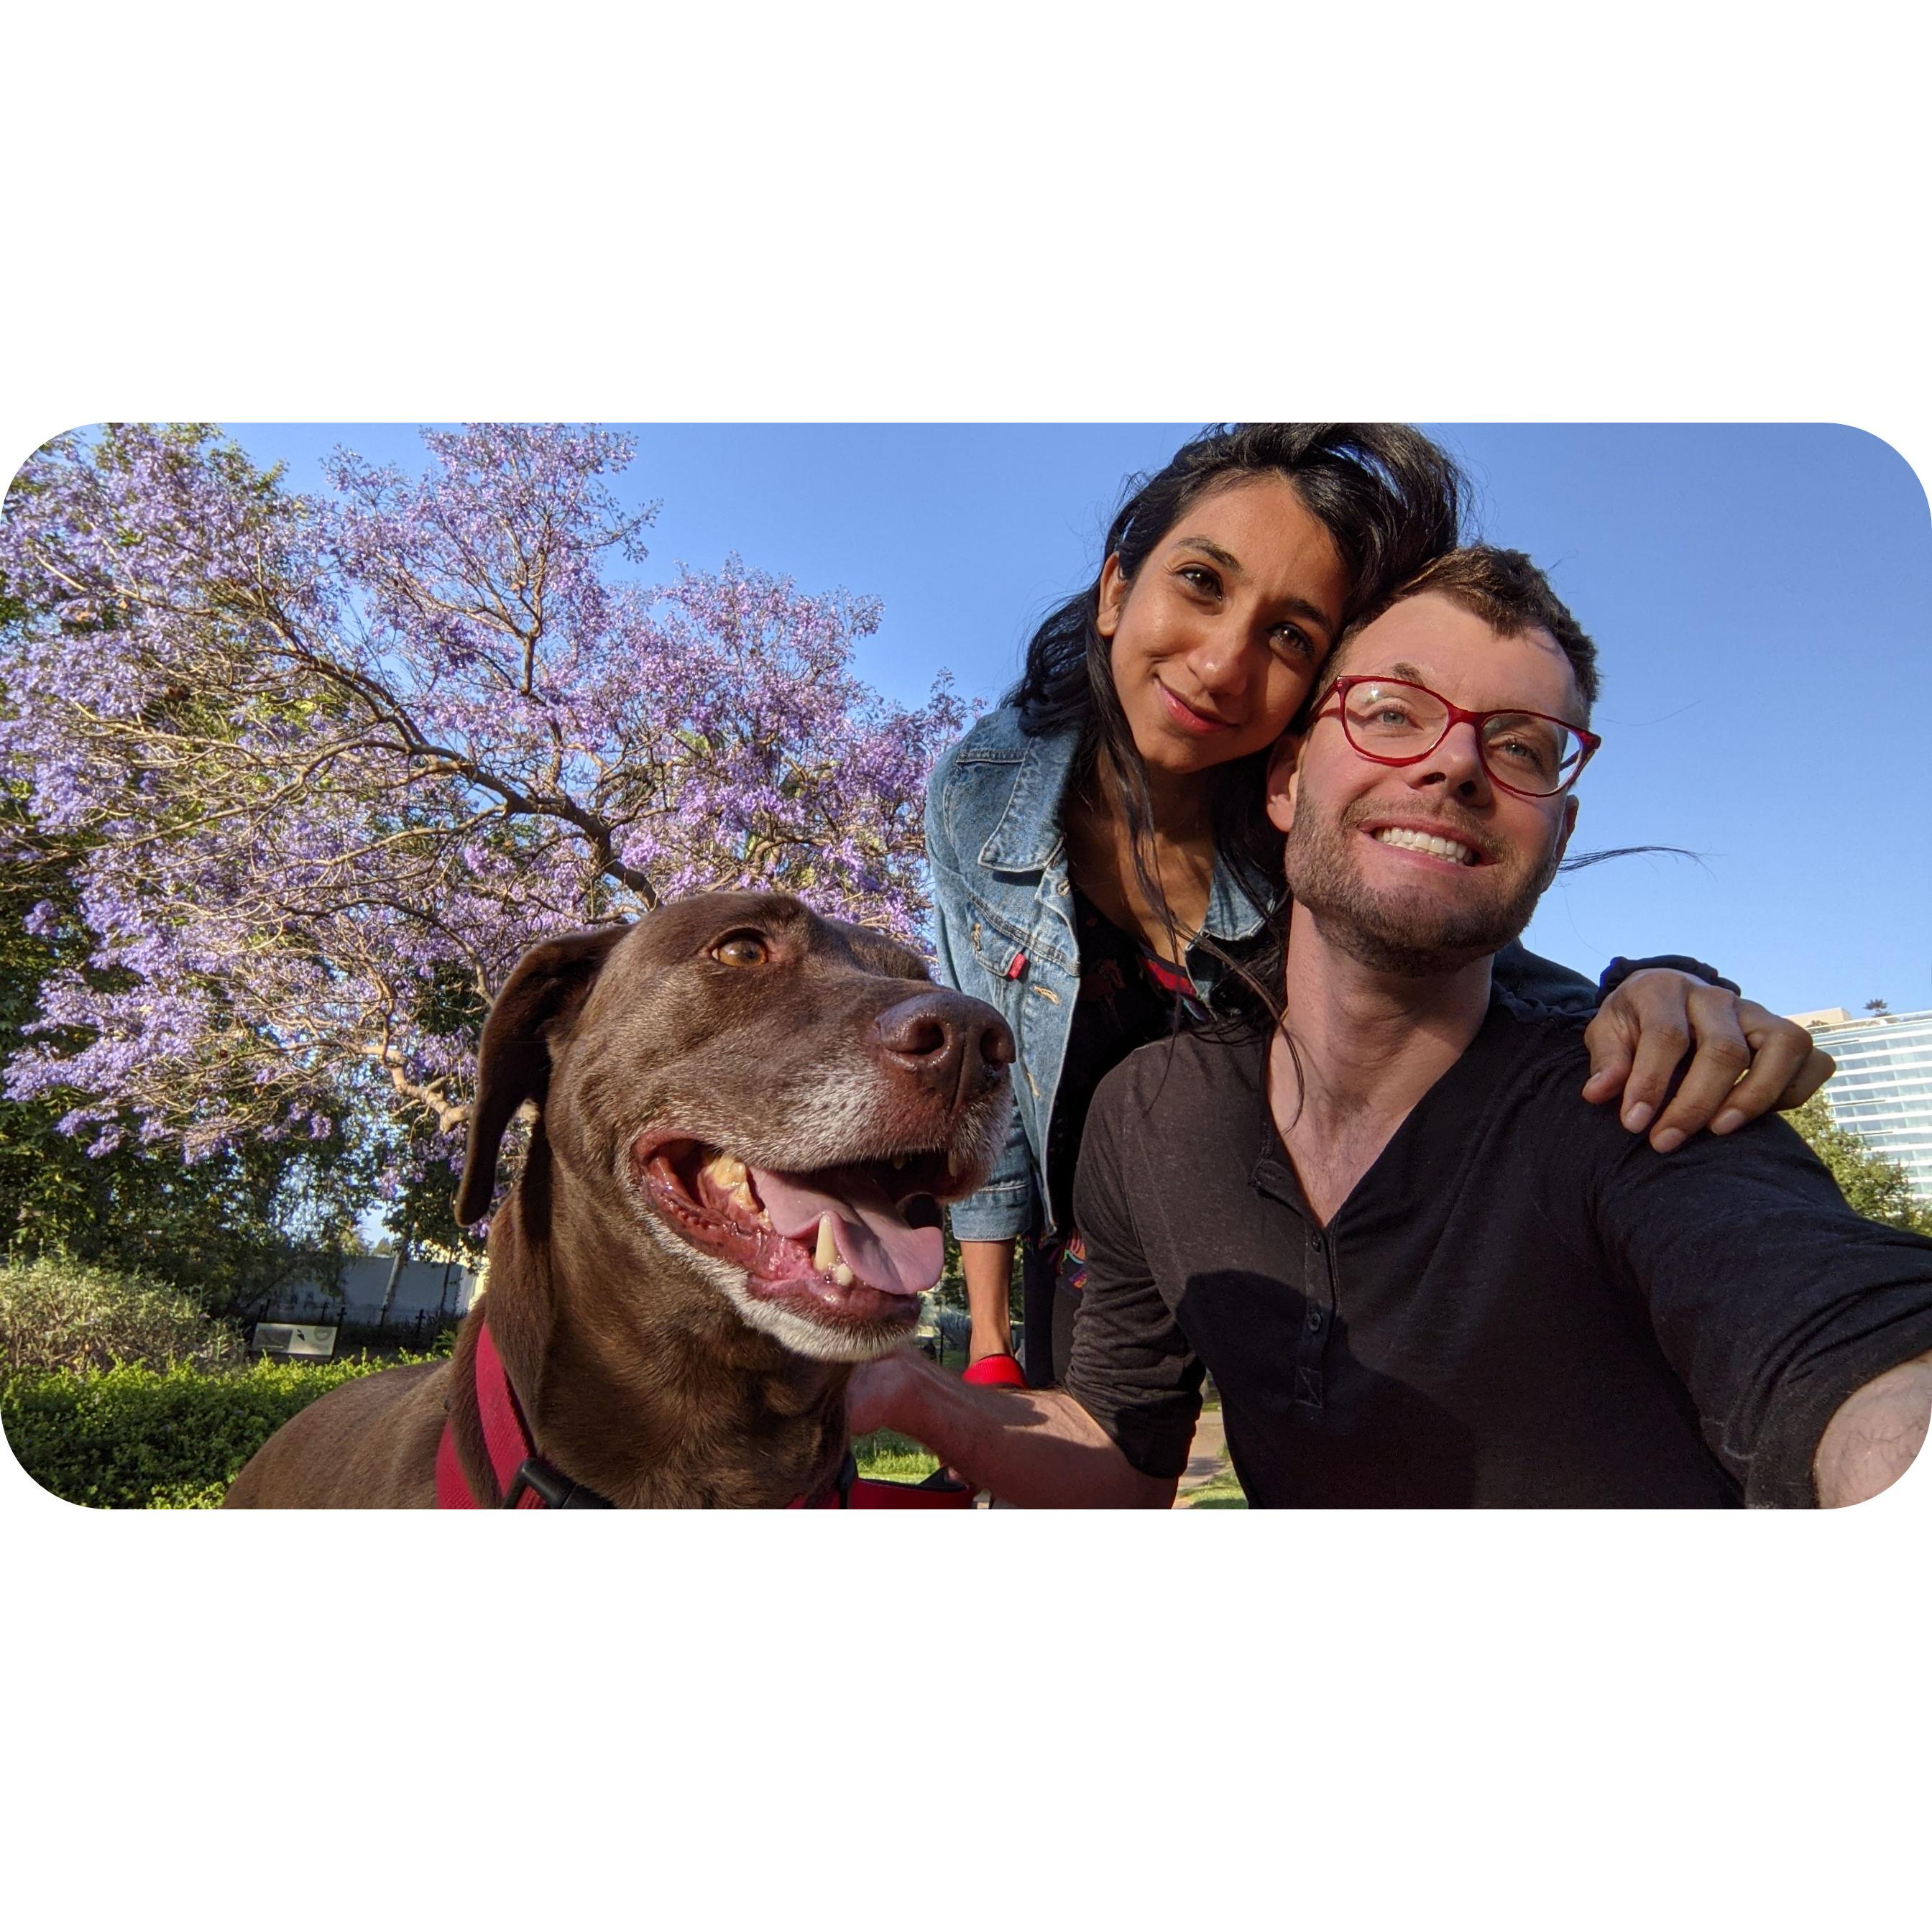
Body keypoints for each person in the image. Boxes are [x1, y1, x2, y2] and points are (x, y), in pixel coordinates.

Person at [860, 546, 1932, 1506]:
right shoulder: (1150, 1114)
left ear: (1556, 833)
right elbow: (1121, 1444)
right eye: (1390, 710)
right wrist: (906, 1387)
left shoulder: (1648, 1102)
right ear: (1285, 780)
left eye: (1522, 745)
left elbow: (1849, 1352)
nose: (1456, 763)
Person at [924, 424, 1831, 1391]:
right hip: (1097, 1224)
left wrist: (1659, 988)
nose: (1224, 665)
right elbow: (998, 1079)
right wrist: (988, 1340)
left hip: (1298, 1197)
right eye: (1201, 581)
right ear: (1116, 590)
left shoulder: (1319, 830)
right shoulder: (985, 802)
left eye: (1289, 635)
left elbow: (1476, 964)